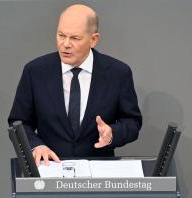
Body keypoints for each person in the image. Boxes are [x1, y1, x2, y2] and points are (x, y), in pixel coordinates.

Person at [8, 4, 142, 166]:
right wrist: (36, 146)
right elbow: (18, 122)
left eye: (75, 38)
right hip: (50, 169)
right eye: (61, 35)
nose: (65, 44)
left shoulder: (118, 73)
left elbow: (132, 122)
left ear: (93, 39)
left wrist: (112, 133)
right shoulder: (35, 71)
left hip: (98, 173)